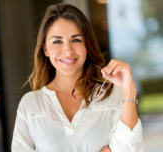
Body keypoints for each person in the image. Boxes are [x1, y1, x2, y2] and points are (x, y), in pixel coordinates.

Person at [11, 3, 145, 152]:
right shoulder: (30, 105)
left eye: (76, 40)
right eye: (57, 41)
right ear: (45, 49)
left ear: (86, 46)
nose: (68, 50)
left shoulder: (113, 95)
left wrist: (129, 91)